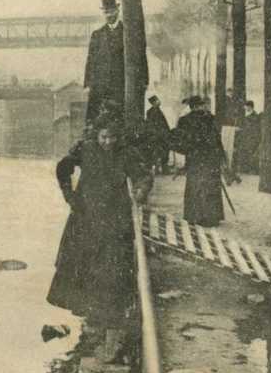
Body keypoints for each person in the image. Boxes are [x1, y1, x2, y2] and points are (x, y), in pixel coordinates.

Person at [47, 116, 152, 328]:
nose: (108, 142)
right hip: (86, 214)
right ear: (97, 135)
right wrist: (69, 195)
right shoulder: (86, 149)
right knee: (83, 261)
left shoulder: (126, 153)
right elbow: (63, 168)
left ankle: (106, 313)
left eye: (112, 137)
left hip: (115, 215)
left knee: (110, 262)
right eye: (104, 137)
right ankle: (88, 311)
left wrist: (141, 191)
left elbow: (144, 175)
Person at [84, 0, 147, 122]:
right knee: (98, 119)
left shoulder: (129, 33)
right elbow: (90, 60)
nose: (109, 15)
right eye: (106, 12)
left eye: (112, 11)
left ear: (118, 11)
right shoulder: (97, 35)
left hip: (122, 85)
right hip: (102, 86)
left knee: (123, 118)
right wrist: (88, 83)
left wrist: (144, 80)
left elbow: (141, 57)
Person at [170, 95, 225, 227]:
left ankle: (195, 216)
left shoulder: (185, 120)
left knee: (196, 185)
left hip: (195, 158)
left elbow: (180, 141)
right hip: (210, 158)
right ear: (195, 106)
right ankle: (211, 217)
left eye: (202, 105)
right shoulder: (210, 118)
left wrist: (186, 151)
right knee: (209, 185)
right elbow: (217, 139)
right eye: (200, 105)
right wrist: (221, 155)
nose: (202, 107)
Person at [144, 95, 170, 174]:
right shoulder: (152, 112)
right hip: (158, 135)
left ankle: (160, 168)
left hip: (160, 134)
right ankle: (161, 169)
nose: (159, 101)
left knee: (160, 151)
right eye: (157, 100)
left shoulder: (156, 110)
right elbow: (153, 124)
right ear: (153, 103)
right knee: (161, 151)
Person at [234, 100, 262, 175]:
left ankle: (252, 170)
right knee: (245, 153)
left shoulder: (254, 116)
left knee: (250, 154)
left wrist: (241, 129)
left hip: (251, 138)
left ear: (249, 106)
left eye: (246, 106)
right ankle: (245, 169)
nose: (244, 107)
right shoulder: (248, 115)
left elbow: (252, 129)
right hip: (246, 138)